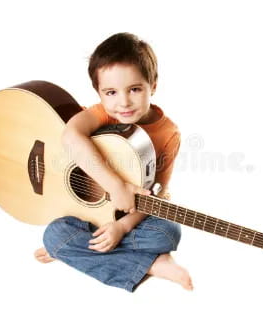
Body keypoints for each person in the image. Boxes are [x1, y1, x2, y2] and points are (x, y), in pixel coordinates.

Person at [34, 32, 193, 292]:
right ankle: (152, 264)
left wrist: (122, 226)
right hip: (84, 216)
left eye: (134, 89)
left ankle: (73, 250)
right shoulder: (102, 114)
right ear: (99, 93)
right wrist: (116, 185)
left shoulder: (167, 134)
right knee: (54, 234)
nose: (123, 102)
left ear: (153, 85)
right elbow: (71, 136)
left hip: (126, 219)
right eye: (110, 92)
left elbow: (158, 195)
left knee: (168, 232)